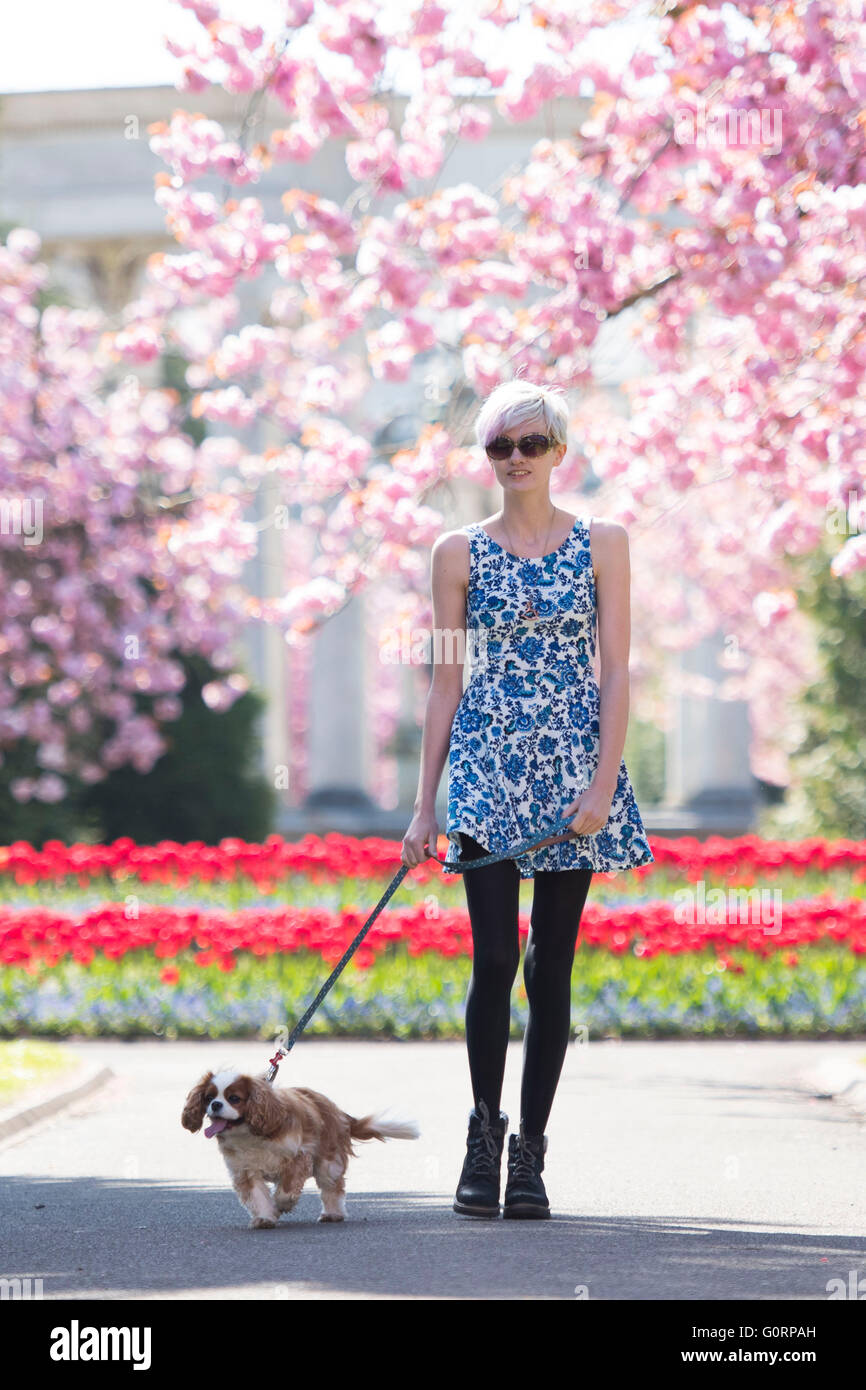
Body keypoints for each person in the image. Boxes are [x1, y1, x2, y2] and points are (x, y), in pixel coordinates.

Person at [401, 379, 654, 1219]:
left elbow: (617, 669)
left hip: (573, 768)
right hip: (484, 764)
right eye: (499, 447)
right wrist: (423, 805)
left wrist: (602, 784)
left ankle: (531, 1154)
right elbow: (445, 681)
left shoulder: (605, 542)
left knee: (552, 969)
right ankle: (481, 1133)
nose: (514, 460)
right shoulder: (455, 553)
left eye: (530, 445)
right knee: (494, 961)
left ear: (559, 453)